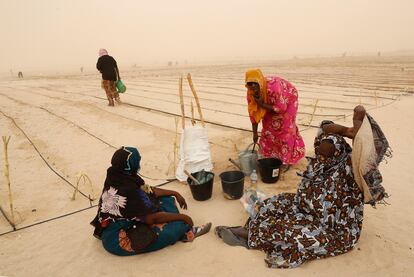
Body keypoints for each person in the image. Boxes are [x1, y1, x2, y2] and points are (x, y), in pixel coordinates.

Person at [215, 105, 391, 268]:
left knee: (291, 233)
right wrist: (346, 131)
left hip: (332, 230)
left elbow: (368, 153)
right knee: (271, 203)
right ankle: (250, 230)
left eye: (326, 155)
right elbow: (325, 127)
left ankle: (248, 235)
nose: (321, 158)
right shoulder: (320, 162)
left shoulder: (351, 168)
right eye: (320, 153)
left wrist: (357, 127)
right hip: (302, 208)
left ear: (338, 152)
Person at [91, 146, 211, 256]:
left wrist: (175, 193)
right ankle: (186, 233)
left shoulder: (117, 174)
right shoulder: (128, 189)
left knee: (167, 199)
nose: (139, 164)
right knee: (176, 227)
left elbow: (148, 190)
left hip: (127, 219)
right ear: (130, 165)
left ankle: (179, 225)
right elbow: (151, 218)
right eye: (137, 161)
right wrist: (183, 218)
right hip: (118, 238)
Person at [245, 69, 305, 167]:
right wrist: (255, 133)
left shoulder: (273, 87)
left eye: (255, 83)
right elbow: (253, 114)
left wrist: (262, 104)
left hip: (288, 98)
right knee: (268, 127)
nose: (253, 86)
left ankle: (286, 160)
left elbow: (282, 108)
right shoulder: (250, 93)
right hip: (270, 103)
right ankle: (271, 155)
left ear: (260, 81)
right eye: (249, 84)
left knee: (285, 129)